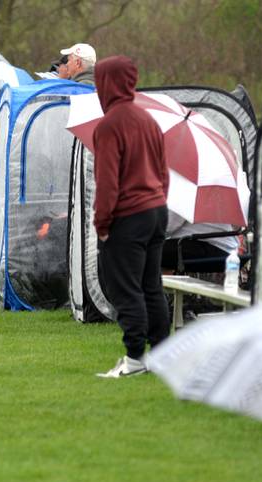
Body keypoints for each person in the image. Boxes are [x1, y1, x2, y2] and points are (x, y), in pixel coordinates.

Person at [93, 55, 170, 378]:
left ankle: (135, 358)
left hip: (128, 216)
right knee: (152, 286)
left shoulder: (110, 125)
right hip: (156, 211)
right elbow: (163, 172)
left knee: (127, 289)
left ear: (106, 83)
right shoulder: (149, 120)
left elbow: (108, 182)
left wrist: (103, 223)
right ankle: (164, 355)